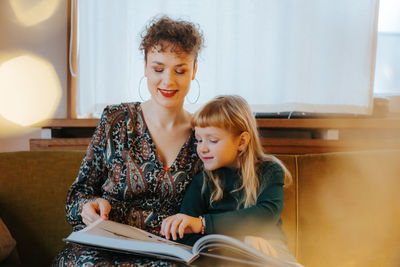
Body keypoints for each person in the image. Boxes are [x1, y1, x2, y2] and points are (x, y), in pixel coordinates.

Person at [53, 15, 204, 266]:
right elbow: (77, 195)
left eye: (180, 70)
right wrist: (89, 206)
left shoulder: (204, 135)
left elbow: (223, 204)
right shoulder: (116, 119)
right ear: (145, 67)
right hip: (104, 249)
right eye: (158, 69)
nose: (168, 81)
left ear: (194, 70)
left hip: (166, 255)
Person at [160, 95, 302, 265]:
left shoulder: (269, 170)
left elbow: (267, 213)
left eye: (212, 140)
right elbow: (187, 234)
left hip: (267, 248)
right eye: (198, 140)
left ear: (241, 141)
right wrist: (238, 241)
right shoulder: (202, 181)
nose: (202, 148)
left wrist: (203, 224)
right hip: (220, 253)